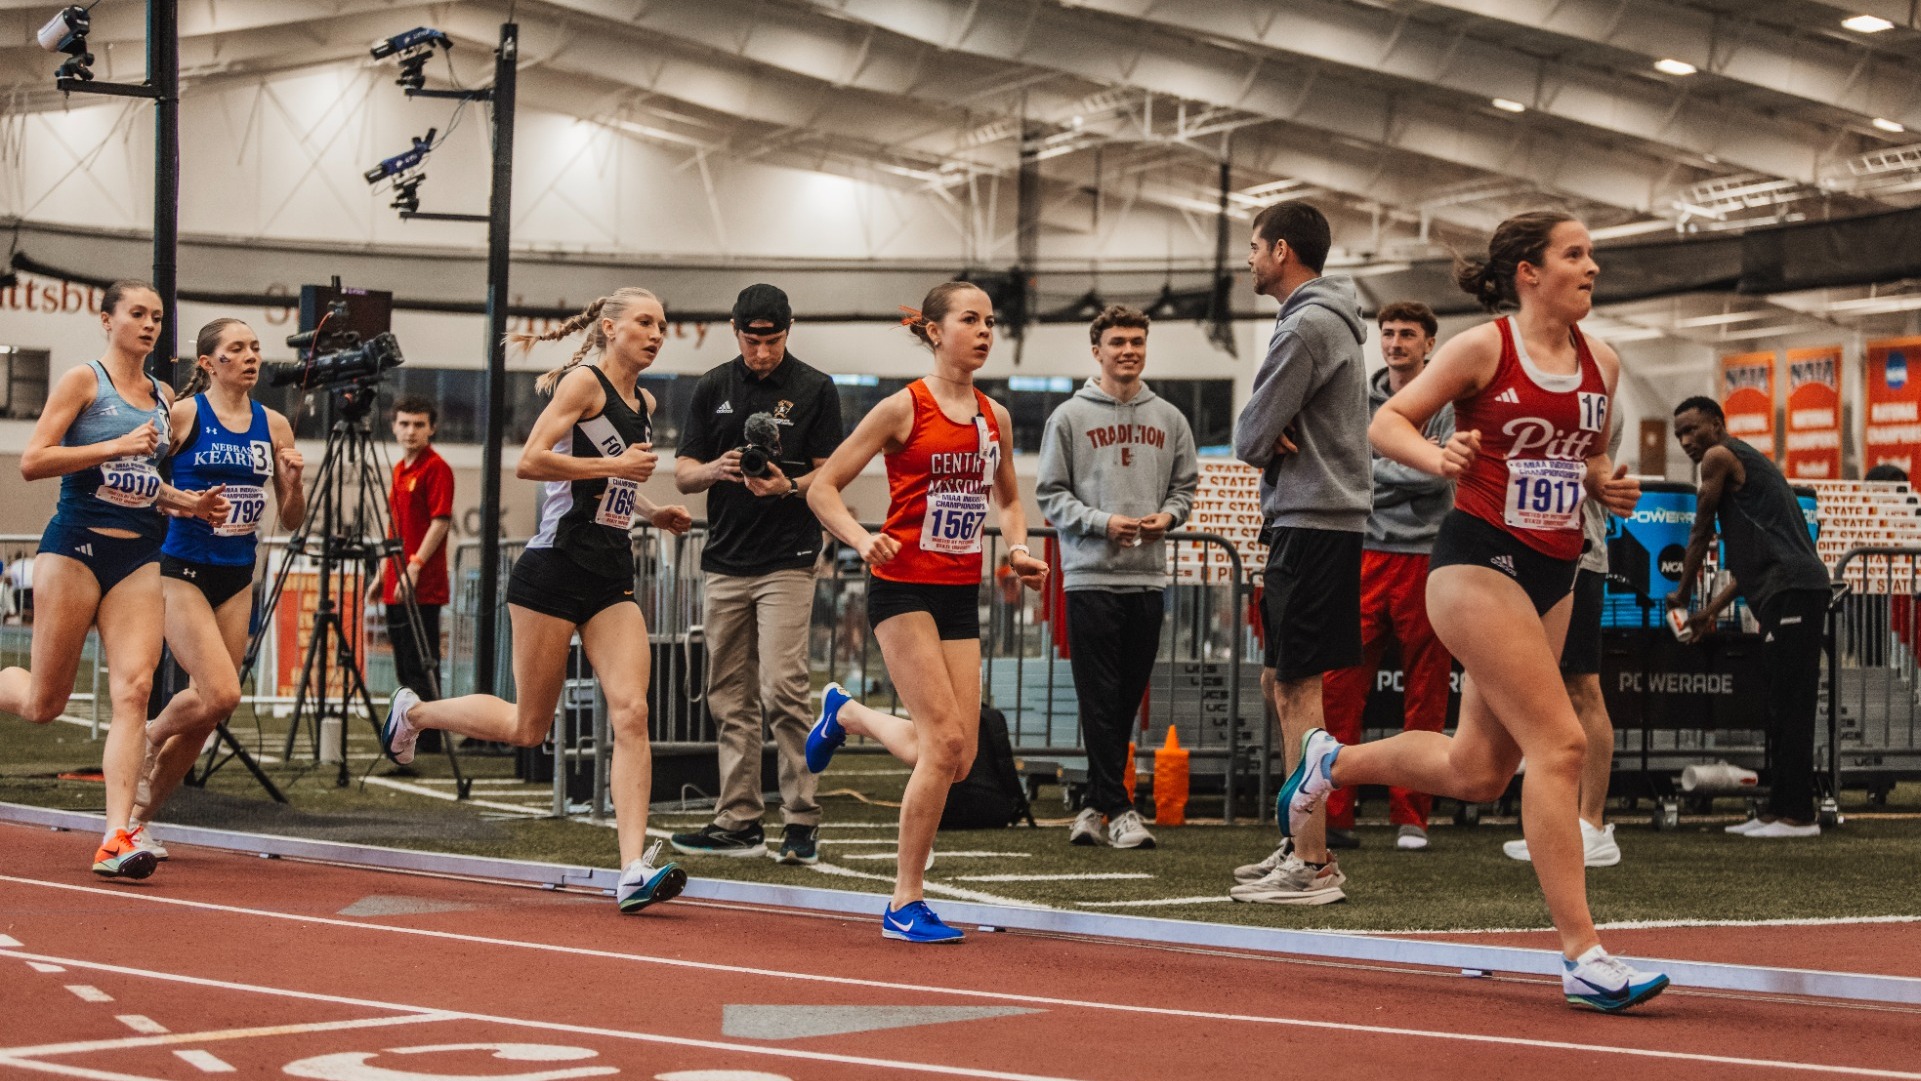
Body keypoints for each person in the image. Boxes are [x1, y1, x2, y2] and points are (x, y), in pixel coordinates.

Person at [1280, 211, 1668, 1011]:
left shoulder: (1603, 360)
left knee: (1479, 769)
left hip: (1555, 569)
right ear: (1529, 271)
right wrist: (1438, 454)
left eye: (1592, 253)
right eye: (1575, 254)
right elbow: (1386, 421)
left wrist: (1603, 482)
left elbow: (1584, 451)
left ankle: (1330, 762)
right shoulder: (1483, 347)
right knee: (1556, 743)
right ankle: (1582, 954)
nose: (1591, 267)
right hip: (1473, 562)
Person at [377, 287, 695, 913]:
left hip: (609, 576)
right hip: (550, 571)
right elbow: (530, 462)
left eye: (664, 324)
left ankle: (631, 868)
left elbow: (617, 482)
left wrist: (654, 512)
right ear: (610, 327)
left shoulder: (645, 401)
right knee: (529, 726)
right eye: (645, 322)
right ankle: (414, 714)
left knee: (631, 711)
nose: (658, 334)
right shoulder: (583, 385)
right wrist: (615, 470)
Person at [802, 281, 1048, 943]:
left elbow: (1008, 502)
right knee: (940, 744)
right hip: (900, 584)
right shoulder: (900, 408)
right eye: (969, 319)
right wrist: (860, 538)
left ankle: (846, 713)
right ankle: (903, 900)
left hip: (957, 589)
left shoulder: (993, 416)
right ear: (934, 330)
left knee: (957, 756)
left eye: (990, 321)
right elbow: (820, 488)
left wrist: (1019, 548)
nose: (984, 330)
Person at [0, 280, 229, 878]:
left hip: (138, 556)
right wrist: (113, 443)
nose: (149, 325)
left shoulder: (161, 393)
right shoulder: (84, 381)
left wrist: (188, 503)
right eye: (137, 314)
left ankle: (115, 836)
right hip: (76, 547)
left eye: (157, 316)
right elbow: (32, 460)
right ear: (107, 320)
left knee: (133, 690)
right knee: (43, 703)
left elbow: (143, 480)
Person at [669, 284, 844, 865]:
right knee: (729, 697)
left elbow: (831, 477)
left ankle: (801, 818)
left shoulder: (816, 387)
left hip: (788, 561)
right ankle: (739, 819)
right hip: (723, 560)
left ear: (788, 332)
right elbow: (683, 474)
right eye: (751, 340)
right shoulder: (713, 386)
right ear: (734, 329)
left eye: (772, 341)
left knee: (784, 690)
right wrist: (714, 469)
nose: (762, 352)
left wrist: (787, 486)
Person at [1226, 202, 1370, 905]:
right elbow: (1262, 427)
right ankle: (1298, 839)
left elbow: (1249, 437)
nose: (1248, 259)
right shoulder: (1319, 320)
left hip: (1315, 522)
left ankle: (1312, 863)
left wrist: (1270, 425)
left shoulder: (1307, 325)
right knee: (1282, 684)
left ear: (1282, 250)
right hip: (1309, 520)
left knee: (1297, 689)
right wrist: (1270, 423)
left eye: (1253, 247)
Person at [132, 318, 306, 860]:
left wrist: (294, 483)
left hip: (237, 574)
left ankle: (137, 821)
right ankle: (150, 733)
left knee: (212, 712)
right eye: (237, 349)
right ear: (209, 363)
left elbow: (293, 518)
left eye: (255, 347)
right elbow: (139, 485)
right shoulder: (184, 415)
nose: (251, 356)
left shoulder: (275, 424)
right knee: (222, 692)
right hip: (180, 566)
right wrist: (188, 503)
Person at [1036, 303, 1197, 850]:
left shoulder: (1170, 419)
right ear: (1096, 351)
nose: (1128, 350)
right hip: (1088, 576)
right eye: (1118, 342)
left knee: (1124, 699)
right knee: (1097, 696)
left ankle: (1092, 807)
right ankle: (1122, 808)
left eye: (1136, 341)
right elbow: (1050, 494)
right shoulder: (1069, 417)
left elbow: (1184, 489)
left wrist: (1169, 518)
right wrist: (1102, 523)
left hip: (1147, 579)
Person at [1318, 301, 1453, 853]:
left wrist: (1380, 467)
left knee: (1426, 693)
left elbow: (1437, 476)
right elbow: (1346, 468)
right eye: (1389, 333)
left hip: (1428, 557)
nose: (1396, 342)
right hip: (1366, 554)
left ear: (1428, 344)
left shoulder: (1447, 400)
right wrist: (1414, 463)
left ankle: (1412, 816)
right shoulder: (1356, 398)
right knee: (1339, 685)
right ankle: (1333, 811)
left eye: (1408, 335)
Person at [1669, 396, 1831, 839]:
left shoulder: (1720, 457)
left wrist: (1681, 593)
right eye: (1678, 434)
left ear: (1718, 426)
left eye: (1692, 429)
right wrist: (1707, 613)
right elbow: (1750, 569)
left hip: (1796, 589)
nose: (1685, 440)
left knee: (1792, 706)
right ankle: (1778, 810)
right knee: (1779, 704)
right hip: (1785, 588)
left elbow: (1700, 529)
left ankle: (1798, 816)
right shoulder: (1745, 472)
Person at [1505, 410, 1626, 868]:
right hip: (1521, 555)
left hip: (1578, 556)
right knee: (1538, 693)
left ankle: (1592, 826)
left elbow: (1594, 466)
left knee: (1582, 687)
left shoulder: (1599, 393)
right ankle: (1553, 822)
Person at [380, 396, 455, 755]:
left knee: (423, 665)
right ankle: (408, 729)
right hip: (396, 582)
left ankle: (430, 739)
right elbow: (395, 526)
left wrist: (415, 565)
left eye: (419, 424)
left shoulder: (436, 468)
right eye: (405, 424)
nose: (411, 431)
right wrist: (384, 573)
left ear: (432, 428)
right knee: (403, 664)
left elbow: (441, 521)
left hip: (423, 585)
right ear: (393, 426)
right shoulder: (398, 469)